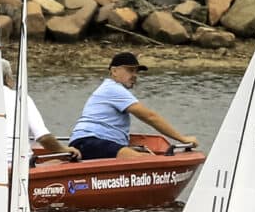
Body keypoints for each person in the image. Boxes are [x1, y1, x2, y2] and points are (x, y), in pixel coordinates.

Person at [68, 52, 196, 160]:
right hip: (90, 142)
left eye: (136, 71)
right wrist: (182, 138)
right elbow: (150, 117)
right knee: (149, 162)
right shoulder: (113, 89)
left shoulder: (109, 88)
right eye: (130, 70)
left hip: (90, 142)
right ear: (114, 71)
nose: (134, 75)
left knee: (143, 156)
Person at [5, 61, 72, 159]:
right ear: (7, 79)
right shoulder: (20, 98)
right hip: (17, 165)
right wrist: (64, 151)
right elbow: (43, 138)